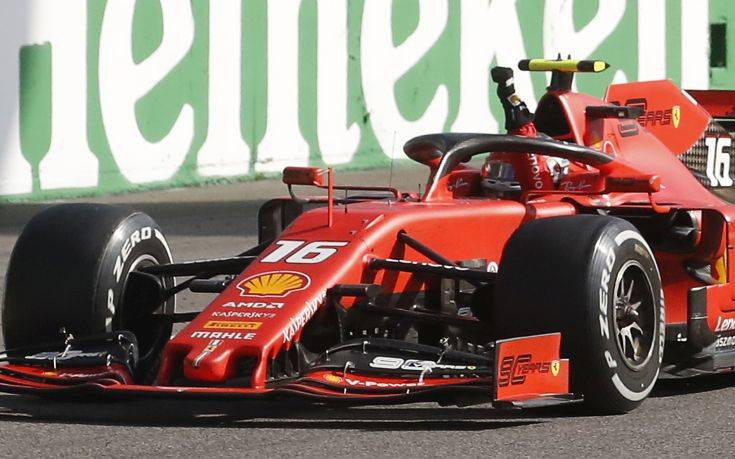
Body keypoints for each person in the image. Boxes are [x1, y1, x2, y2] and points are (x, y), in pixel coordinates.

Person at [482, 66, 567, 195]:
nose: (502, 181)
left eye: (513, 172)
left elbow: (523, 137)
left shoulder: (540, 184)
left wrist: (509, 94)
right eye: (498, 170)